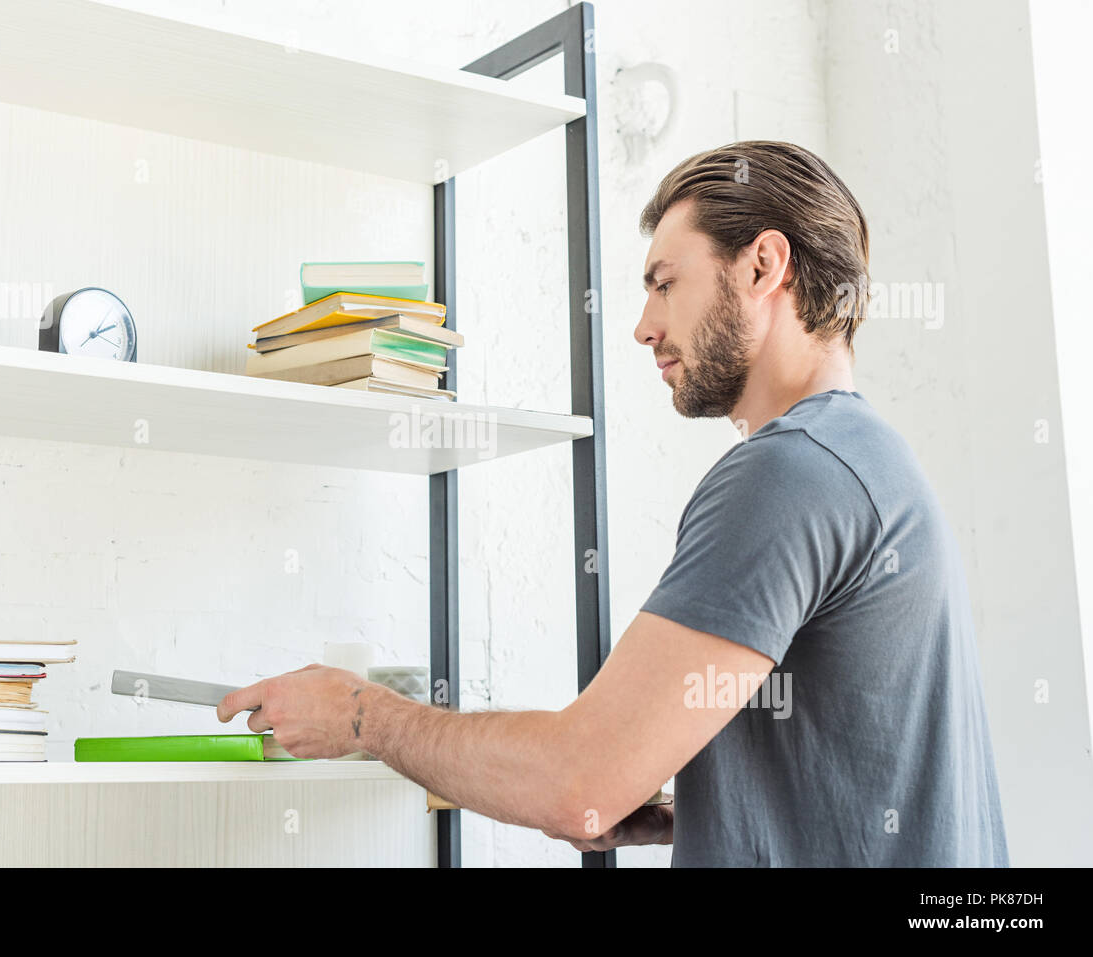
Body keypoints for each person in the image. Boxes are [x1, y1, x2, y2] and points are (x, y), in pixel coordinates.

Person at [218, 140, 1009, 866]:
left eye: (666, 284)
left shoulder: (787, 475)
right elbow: (855, 755)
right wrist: (698, 803)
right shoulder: (867, 459)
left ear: (764, 265)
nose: (642, 326)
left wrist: (362, 714)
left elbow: (577, 781)